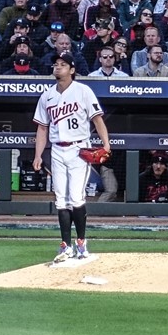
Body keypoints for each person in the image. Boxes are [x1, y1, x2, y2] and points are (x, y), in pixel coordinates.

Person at [32, 51, 111, 263]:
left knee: (76, 197)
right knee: (61, 200)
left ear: (72, 70)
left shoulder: (83, 91)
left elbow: (97, 120)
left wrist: (106, 143)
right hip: (57, 149)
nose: (58, 67)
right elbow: (42, 128)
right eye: (56, 64)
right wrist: (38, 154)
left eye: (63, 65)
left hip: (78, 149)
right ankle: (65, 245)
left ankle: (81, 243)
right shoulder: (47, 96)